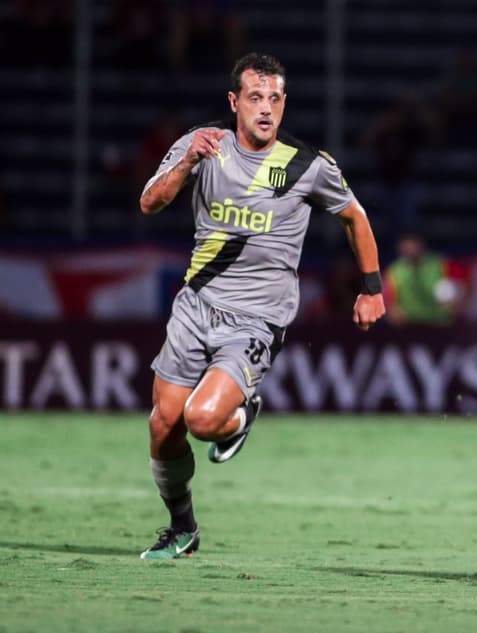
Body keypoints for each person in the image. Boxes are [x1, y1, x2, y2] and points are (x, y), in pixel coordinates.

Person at [137, 52, 386, 559]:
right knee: (164, 425)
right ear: (234, 101)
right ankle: (182, 527)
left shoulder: (307, 165)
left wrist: (372, 288)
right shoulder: (202, 145)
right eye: (255, 97)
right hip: (195, 305)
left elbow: (355, 217)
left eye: (275, 99)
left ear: (285, 102)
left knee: (202, 420)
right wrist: (186, 163)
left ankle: (240, 411)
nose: (266, 109)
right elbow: (149, 202)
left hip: (256, 318)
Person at [384, 233, 460, 326]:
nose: (411, 249)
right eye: (406, 245)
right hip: (409, 326)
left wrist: (456, 304)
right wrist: (394, 313)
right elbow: (389, 303)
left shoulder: (441, 264)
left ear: (421, 245)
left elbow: (463, 287)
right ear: (400, 247)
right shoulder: (394, 271)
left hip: (439, 324)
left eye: (414, 243)